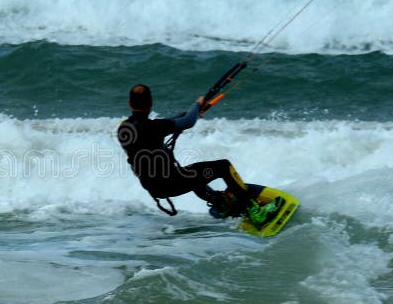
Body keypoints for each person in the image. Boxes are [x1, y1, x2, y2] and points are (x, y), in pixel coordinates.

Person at [117, 84, 281, 227]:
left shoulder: (124, 129)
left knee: (193, 175)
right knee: (223, 166)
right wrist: (197, 105)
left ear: (129, 103)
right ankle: (253, 210)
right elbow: (187, 122)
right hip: (172, 183)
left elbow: (168, 123)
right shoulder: (155, 127)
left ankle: (220, 203)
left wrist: (191, 112)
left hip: (154, 187)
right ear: (151, 103)